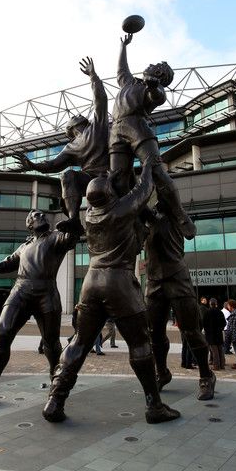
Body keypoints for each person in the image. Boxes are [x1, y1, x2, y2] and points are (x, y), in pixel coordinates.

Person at [43, 159, 180, 424]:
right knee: (140, 344)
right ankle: (154, 406)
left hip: (91, 283)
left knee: (79, 342)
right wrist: (149, 167)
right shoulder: (120, 211)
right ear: (111, 194)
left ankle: (55, 399)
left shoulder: (89, 215)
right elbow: (144, 190)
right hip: (118, 282)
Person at [0, 209, 80, 411]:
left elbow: (73, 238)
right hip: (20, 290)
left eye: (43, 215)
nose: (42, 216)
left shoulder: (56, 238)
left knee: (51, 343)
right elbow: (6, 264)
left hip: (46, 292)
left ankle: (55, 389)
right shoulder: (24, 246)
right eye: (36, 215)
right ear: (29, 223)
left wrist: (73, 222)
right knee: (2, 334)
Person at [108, 33, 195, 241]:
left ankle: (180, 215)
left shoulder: (155, 88)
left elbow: (156, 97)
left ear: (159, 73)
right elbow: (121, 70)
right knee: (118, 181)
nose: (149, 65)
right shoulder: (130, 83)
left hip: (138, 127)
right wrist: (124, 47)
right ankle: (143, 217)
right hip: (116, 131)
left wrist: (154, 85)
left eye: (154, 65)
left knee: (156, 171)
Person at [11, 58, 109, 233]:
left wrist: (93, 75)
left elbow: (100, 99)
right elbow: (52, 165)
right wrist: (32, 165)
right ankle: (73, 220)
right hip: (89, 178)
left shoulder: (97, 126)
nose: (78, 114)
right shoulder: (70, 147)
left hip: (109, 174)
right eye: (75, 116)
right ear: (70, 129)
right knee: (67, 175)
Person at [145, 199, 216, 399]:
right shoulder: (148, 221)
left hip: (177, 278)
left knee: (191, 332)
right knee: (154, 333)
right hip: (154, 281)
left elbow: (191, 231)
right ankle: (162, 372)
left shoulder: (177, 219)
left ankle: (206, 376)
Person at [202, 298, 226, 371]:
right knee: (220, 349)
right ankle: (222, 365)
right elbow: (224, 323)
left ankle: (216, 366)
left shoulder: (207, 312)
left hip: (210, 334)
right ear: (216, 304)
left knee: (214, 350)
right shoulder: (220, 312)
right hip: (218, 333)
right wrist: (221, 328)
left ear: (210, 304)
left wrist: (207, 330)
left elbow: (204, 323)